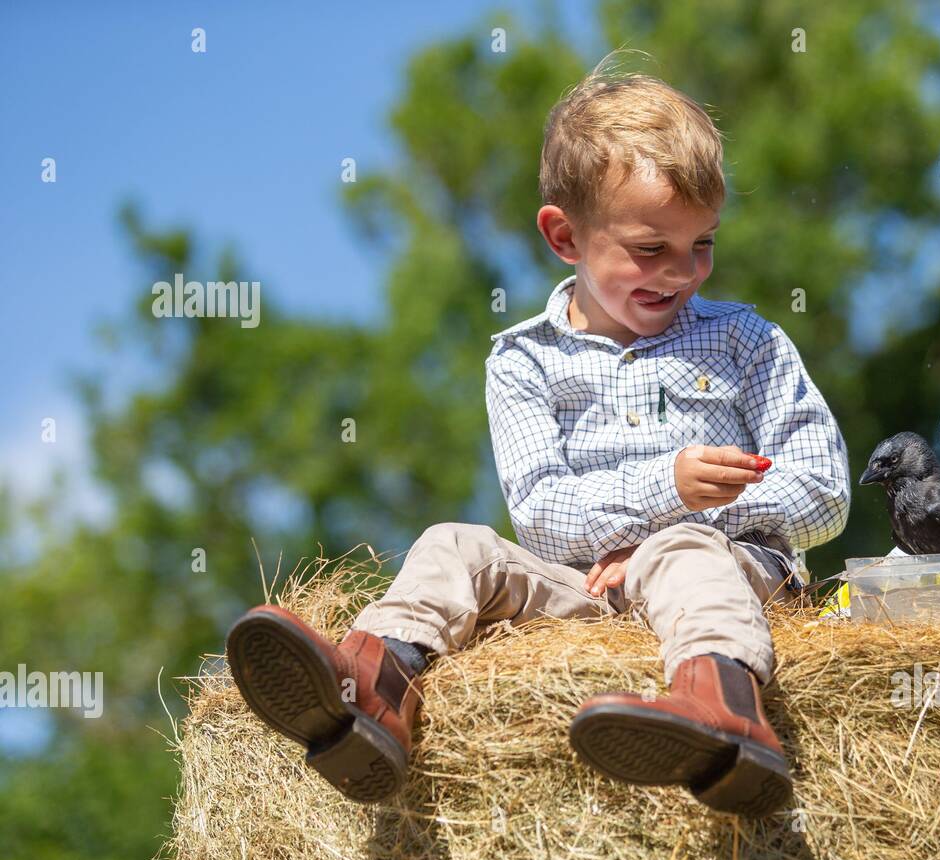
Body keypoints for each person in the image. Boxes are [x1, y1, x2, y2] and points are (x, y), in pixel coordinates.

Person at [225, 58, 850, 817]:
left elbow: (823, 491)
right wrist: (662, 487)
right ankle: (372, 693)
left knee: (680, 553)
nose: (683, 272)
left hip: (729, 575)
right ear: (564, 236)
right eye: (652, 249)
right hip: (582, 593)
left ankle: (724, 712)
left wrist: (687, 518)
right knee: (455, 543)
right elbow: (541, 516)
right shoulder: (523, 362)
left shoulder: (746, 342)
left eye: (704, 244)